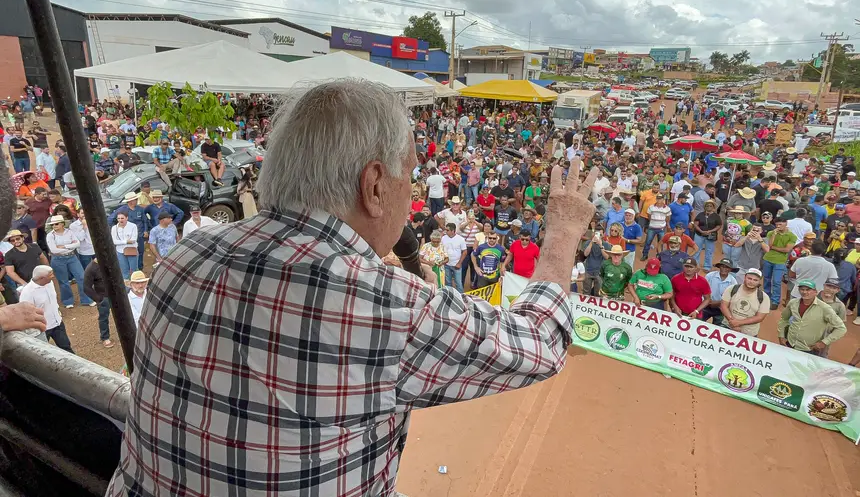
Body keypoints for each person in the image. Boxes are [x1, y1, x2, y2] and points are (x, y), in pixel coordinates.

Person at [107, 81, 599, 497]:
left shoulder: (188, 253)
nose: (412, 192)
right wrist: (562, 232)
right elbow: (541, 341)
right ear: (375, 185)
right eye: (410, 175)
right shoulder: (378, 302)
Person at [778, 279, 846, 357]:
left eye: (808, 290)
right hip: (790, 343)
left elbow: (841, 328)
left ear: (815, 292)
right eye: (802, 289)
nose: (804, 292)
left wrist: (824, 342)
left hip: (809, 349)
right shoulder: (793, 303)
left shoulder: (825, 308)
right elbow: (784, 319)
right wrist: (781, 335)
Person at [17, 265, 73, 353]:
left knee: (66, 347)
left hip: (57, 323)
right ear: (42, 278)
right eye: (50, 275)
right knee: (43, 352)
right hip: (42, 328)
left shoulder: (50, 283)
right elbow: (26, 313)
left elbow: (53, 300)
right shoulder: (27, 292)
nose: (53, 276)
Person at [45, 215, 95, 308]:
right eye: (52, 224)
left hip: (72, 257)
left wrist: (64, 247)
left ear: (62, 224)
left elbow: (77, 244)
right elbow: (54, 250)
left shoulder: (69, 232)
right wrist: (70, 246)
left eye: (56, 224)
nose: (54, 226)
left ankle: (87, 300)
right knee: (63, 281)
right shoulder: (50, 235)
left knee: (82, 277)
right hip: (58, 259)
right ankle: (67, 301)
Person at [719, 268, 771, 337]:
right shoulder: (732, 288)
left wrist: (738, 323)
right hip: (727, 326)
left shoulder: (764, 297)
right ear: (745, 277)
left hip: (749, 333)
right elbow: (723, 306)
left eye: (755, 280)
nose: (751, 282)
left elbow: (760, 317)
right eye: (749, 278)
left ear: (759, 282)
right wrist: (733, 323)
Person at [761, 216, 797, 307]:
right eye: (777, 225)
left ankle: (775, 301)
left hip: (780, 261)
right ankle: (766, 297)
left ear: (786, 224)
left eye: (780, 224)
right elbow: (769, 245)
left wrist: (773, 248)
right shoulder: (771, 233)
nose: (778, 226)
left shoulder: (792, 236)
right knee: (766, 279)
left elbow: (787, 249)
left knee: (776, 281)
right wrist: (774, 235)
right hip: (768, 259)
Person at [109, 192, 149, 270]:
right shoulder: (122, 210)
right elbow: (111, 219)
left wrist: (145, 230)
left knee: (140, 251)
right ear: (130, 201)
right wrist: (117, 229)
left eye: (136, 199)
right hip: (128, 236)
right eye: (135, 199)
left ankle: (139, 267)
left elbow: (145, 221)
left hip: (140, 234)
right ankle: (128, 268)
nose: (136, 201)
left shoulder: (140, 209)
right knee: (128, 251)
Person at [82, 258, 114, 349]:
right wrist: (99, 299)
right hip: (104, 297)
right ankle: (105, 337)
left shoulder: (111, 261)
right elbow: (86, 287)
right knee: (103, 318)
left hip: (116, 295)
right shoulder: (91, 268)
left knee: (123, 315)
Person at [817, 278, 847, 358]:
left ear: (838, 290)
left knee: (821, 357)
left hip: (824, 337)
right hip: (807, 332)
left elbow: (841, 324)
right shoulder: (813, 297)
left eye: (834, 288)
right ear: (824, 286)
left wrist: (829, 338)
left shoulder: (840, 305)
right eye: (828, 286)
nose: (830, 290)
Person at [702, 259, 738, 325]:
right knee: (698, 321)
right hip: (706, 305)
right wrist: (706, 301)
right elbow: (702, 290)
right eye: (722, 266)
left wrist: (719, 303)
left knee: (719, 327)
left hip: (721, 308)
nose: (724, 269)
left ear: (730, 269)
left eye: (727, 267)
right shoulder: (710, 276)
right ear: (719, 267)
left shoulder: (733, 282)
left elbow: (732, 298)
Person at [691, 200, 721, 270]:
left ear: (713, 207)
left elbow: (719, 225)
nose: (709, 207)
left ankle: (707, 266)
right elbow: (695, 224)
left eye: (710, 206)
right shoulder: (700, 214)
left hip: (710, 236)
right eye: (707, 206)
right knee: (697, 249)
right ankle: (696, 265)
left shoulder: (716, 216)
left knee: (709, 251)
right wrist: (701, 231)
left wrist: (710, 231)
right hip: (699, 235)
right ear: (705, 207)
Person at [111, 211, 138, 282]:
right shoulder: (114, 228)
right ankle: (126, 285)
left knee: (134, 270)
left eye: (122, 218)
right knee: (124, 270)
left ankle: (135, 283)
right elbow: (114, 241)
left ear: (127, 218)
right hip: (120, 251)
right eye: (118, 218)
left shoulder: (133, 226)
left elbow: (133, 240)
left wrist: (120, 242)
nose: (120, 220)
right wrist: (126, 241)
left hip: (131, 250)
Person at [641, 193, 670, 260]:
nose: (659, 200)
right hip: (652, 227)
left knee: (661, 243)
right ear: (656, 199)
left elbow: (668, 218)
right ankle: (645, 255)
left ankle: (659, 255)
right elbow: (649, 216)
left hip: (661, 228)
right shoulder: (651, 207)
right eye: (658, 199)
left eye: (660, 199)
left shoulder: (667, 208)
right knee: (648, 242)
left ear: (663, 199)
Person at [440, 222, 467, 292]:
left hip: (456, 264)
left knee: (458, 283)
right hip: (446, 264)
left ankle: (461, 297)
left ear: (453, 231)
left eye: (447, 230)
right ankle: (449, 295)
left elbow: (464, 252)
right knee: (448, 282)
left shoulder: (460, 239)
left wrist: (459, 263)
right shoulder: (443, 238)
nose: (446, 231)